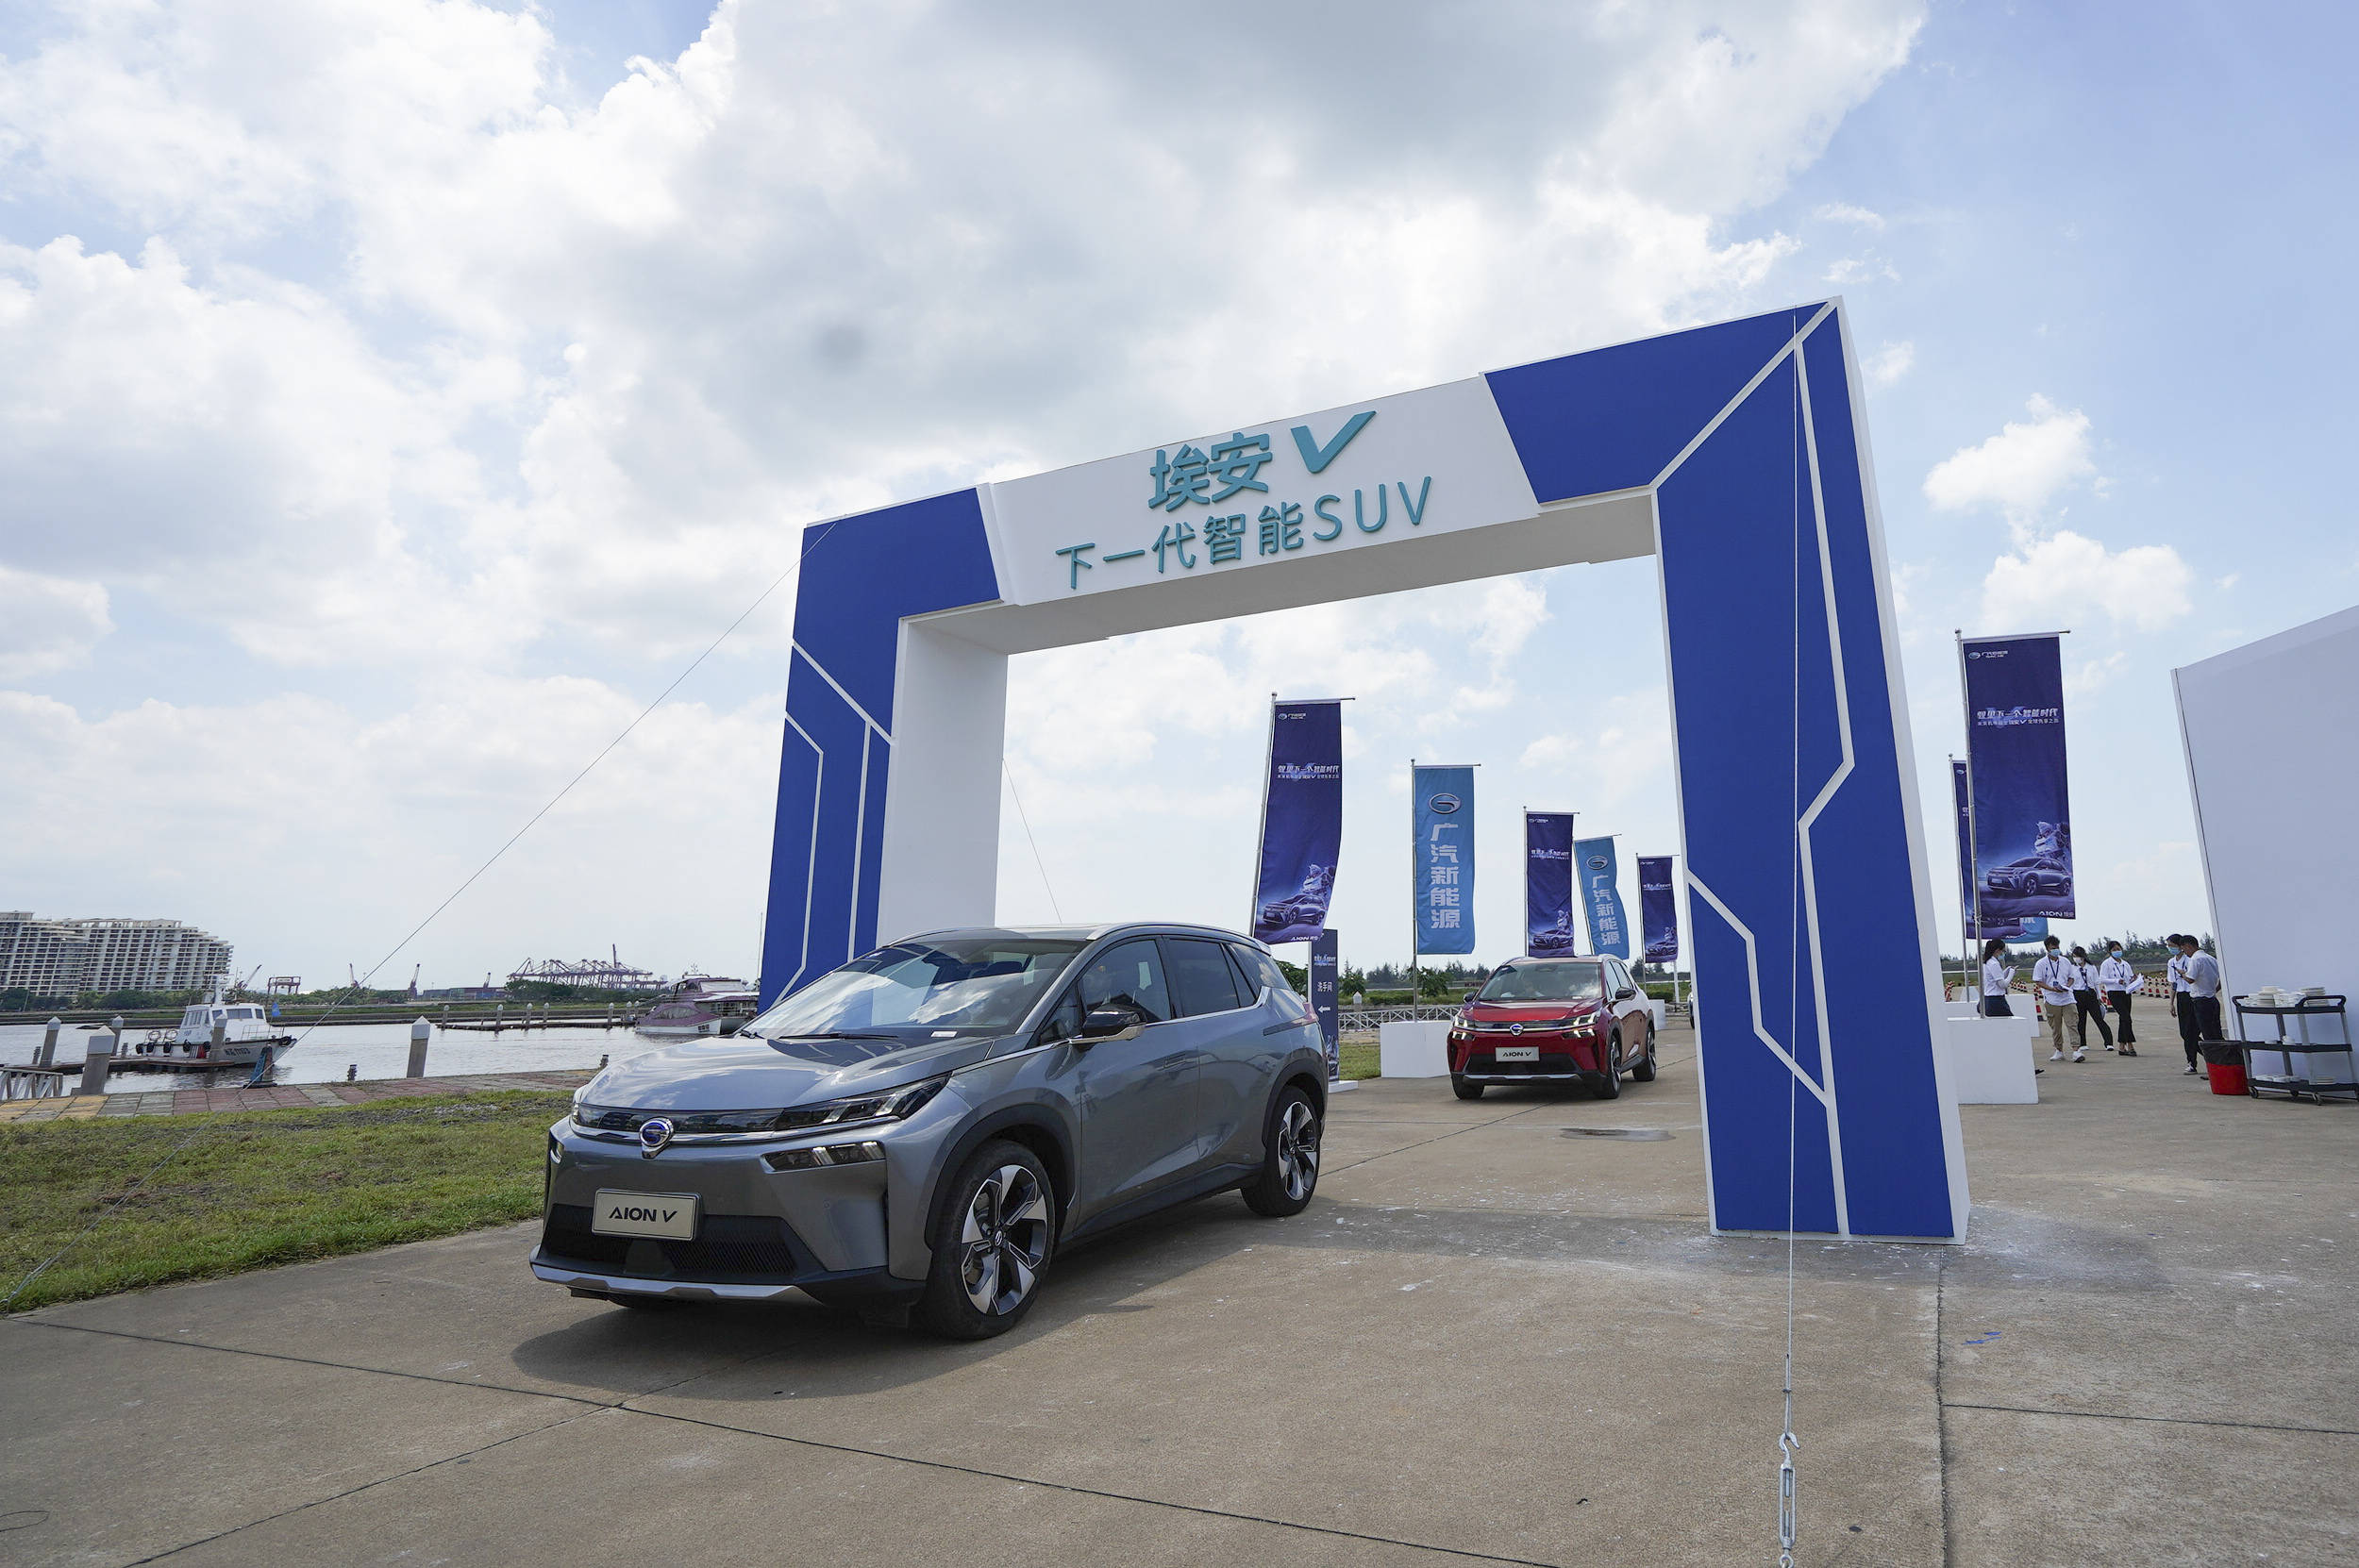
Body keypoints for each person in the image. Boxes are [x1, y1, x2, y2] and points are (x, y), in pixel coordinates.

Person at [2032, 935, 2083, 1062]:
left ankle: (2076, 1051)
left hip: (2067, 998)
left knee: (2072, 1023)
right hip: (2052, 999)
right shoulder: (2041, 963)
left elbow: (2071, 977)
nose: (2056, 950)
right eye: (2053, 948)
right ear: (2047, 949)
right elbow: (2038, 981)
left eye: (2057, 947)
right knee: (2056, 1027)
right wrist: (2052, 989)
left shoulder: (2065, 961)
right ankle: (2059, 1050)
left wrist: (2067, 986)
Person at [2176, 935, 2225, 1066]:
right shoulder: (2211, 959)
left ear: (2188, 946)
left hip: (2200, 1001)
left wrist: (2182, 973)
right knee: (2216, 1034)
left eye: (2184, 949)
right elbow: (2222, 978)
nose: (2185, 953)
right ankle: (2221, 1064)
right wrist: (2214, 990)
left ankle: (2214, 1065)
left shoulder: (2195, 959)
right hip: (2212, 999)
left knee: (2207, 1035)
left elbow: (2190, 979)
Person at [2067, 944, 2116, 1054]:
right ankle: (2083, 1043)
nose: (2076, 958)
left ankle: (2108, 1043)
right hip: (2077, 994)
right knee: (2081, 1020)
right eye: (2074, 956)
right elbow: (2070, 984)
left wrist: (2099, 997)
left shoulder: (2091, 967)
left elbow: (2096, 983)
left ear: (2083, 956)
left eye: (2077, 956)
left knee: (2099, 1019)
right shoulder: (2072, 968)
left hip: (2090, 993)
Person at [2097, 941, 2138, 1056]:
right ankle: (2130, 1044)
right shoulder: (2106, 964)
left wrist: (2133, 979)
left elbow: (2129, 977)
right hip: (2114, 992)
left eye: (2118, 949)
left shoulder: (2125, 964)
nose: (2117, 951)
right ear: (2110, 951)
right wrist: (2116, 981)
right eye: (2114, 950)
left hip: (2126, 992)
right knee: (2126, 1018)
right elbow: (2102, 979)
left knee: (2123, 1019)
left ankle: (2121, 1047)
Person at [2167, 933, 2200, 1074]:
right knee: (2185, 1033)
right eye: (2168, 946)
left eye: (2172, 945)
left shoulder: (2190, 959)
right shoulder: (2171, 962)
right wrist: (2171, 1002)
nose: (2170, 948)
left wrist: (2183, 973)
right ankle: (2207, 1053)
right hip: (2181, 997)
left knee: (2192, 1031)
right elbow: (2173, 983)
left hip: (2192, 995)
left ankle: (2192, 1062)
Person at [1979, 938, 2016, 1016]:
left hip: (1987, 999)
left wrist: (2007, 970)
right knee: (2011, 1022)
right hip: (1996, 1000)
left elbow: (1996, 978)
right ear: (1997, 950)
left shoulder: (1987, 963)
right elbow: (2003, 985)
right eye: (2003, 951)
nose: (2003, 953)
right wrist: (2011, 973)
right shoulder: (1994, 964)